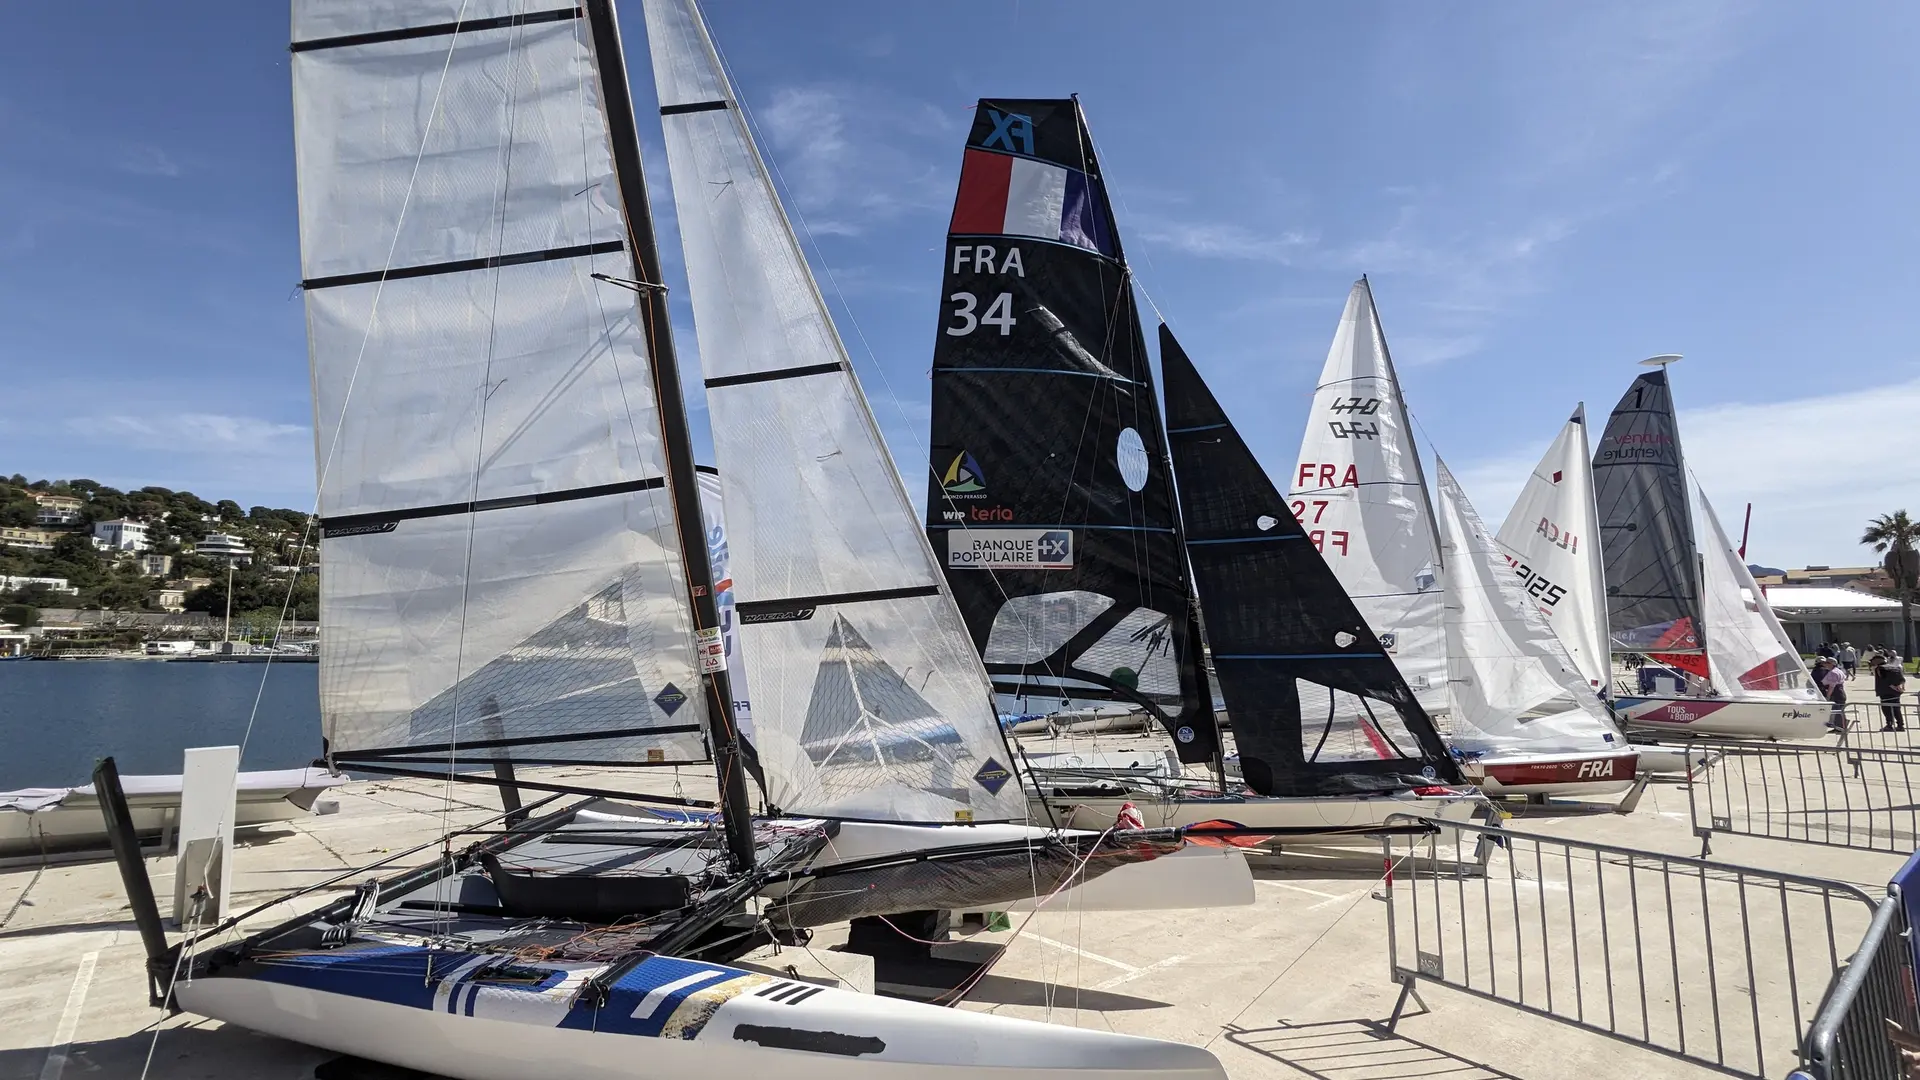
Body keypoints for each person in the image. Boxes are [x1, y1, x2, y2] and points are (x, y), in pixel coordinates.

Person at [1875, 653, 1908, 731]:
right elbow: (1902, 679)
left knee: (1886, 709)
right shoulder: (1895, 667)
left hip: (1885, 691)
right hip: (1896, 692)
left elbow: (1883, 679)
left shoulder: (1879, 668)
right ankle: (1900, 725)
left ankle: (1889, 725)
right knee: (1896, 709)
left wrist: (1891, 685)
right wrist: (1898, 687)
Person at [1814, 657, 1849, 731]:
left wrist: (1828, 696)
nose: (1825, 664)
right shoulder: (1838, 671)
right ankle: (1841, 726)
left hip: (1836, 693)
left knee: (1837, 711)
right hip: (1840, 692)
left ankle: (1840, 727)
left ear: (1832, 664)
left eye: (1827, 663)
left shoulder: (1833, 673)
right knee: (1839, 710)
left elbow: (1832, 686)